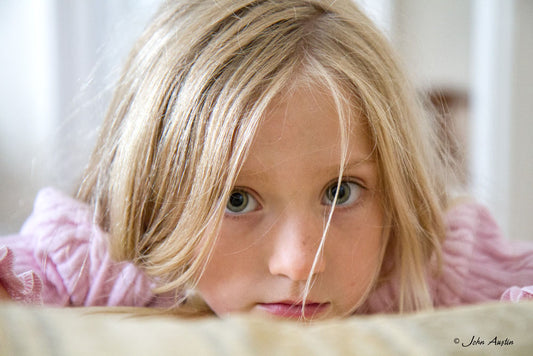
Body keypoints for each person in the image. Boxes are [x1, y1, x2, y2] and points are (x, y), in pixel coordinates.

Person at [1, 0, 532, 320]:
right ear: (153, 195)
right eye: (237, 199)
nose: (300, 262)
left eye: (340, 192)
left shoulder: (428, 261)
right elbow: (25, 279)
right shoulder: (107, 258)